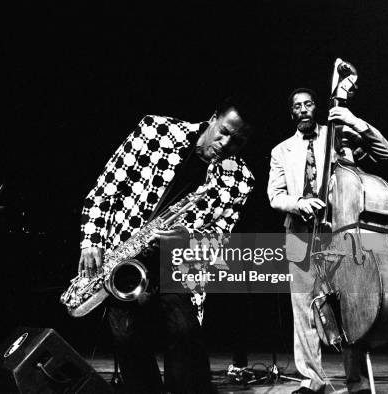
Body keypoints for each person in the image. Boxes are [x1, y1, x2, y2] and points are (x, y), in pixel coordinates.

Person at [78, 97, 256, 393]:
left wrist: (187, 239)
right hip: (124, 259)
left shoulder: (240, 180)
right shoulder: (155, 131)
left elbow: (220, 237)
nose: (225, 144)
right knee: (126, 337)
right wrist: (91, 241)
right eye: (224, 131)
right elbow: (104, 190)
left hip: (178, 265)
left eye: (237, 141)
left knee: (184, 332)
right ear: (214, 117)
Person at [267, 88, 388, 394]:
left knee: (349, 306)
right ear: (292, 113)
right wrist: (298, 202)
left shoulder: (338, 136)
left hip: (340, 233)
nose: (303, 109)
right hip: (299, 232)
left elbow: (386, 153)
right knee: (304, 308)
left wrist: (355, 121)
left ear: (316, 107)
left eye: (308, 104)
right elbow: (275, 195)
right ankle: (313, 381)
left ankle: (357, 382)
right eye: (296, 106)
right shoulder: (281, 150)